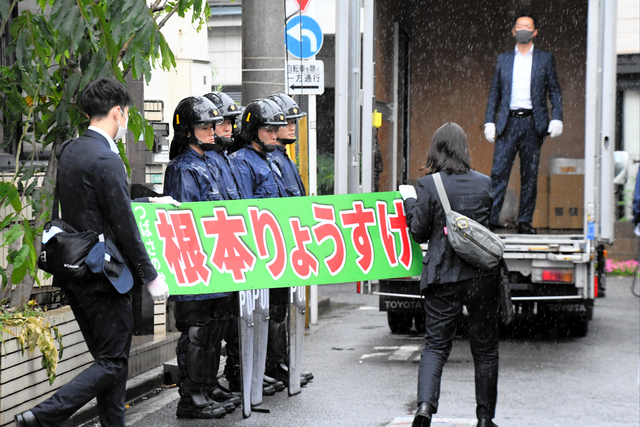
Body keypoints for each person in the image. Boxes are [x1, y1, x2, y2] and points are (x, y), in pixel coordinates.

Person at [14, 78, 170, 427]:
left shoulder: (71, 149)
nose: (126, 119)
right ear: (117, 112)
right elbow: (124, 225)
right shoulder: (106, 159)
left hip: (74, 270)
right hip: (106, 276)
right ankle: (42, 417)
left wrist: (149, 199)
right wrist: (150, 276)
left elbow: (91, 207)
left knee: (108, 361)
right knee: (113, 362)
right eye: (126, 113)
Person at [399, 123, 501, 427]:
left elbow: (418, 233)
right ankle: (484, 419)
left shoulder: (428, 185)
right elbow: (485, 227)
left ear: (437, 150)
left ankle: (425, 409)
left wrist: (410, 204)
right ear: (464, 149)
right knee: (485, 349)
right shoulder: (485, 184)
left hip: (443, 275)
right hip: (482, 277)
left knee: (435, 346)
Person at [163, 96, 240, 419]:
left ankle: (206, 386)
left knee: (213, 328)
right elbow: (184, 223)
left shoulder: (210, 161)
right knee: (195, 330)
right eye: (204, 126)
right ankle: (190, 395)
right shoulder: (183, 169)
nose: (212, 131)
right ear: (187, 131)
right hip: (194, 264)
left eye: (213, 125)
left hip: (218, 260)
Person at [484, 12, 563, 234]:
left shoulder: (545, 59)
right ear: (513, 31)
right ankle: (491, 219)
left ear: (535, 31)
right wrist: (489, 121)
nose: (524, 30)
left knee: (529, 173)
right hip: (507, 123)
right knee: (498, 173)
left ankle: (525, 221)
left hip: (533, 123)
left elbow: (554, 90)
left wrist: (557, 117)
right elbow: (495, 93)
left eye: (528, 26)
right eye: (520, 26)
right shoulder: (504, 59)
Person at [264, 93, 313, 387]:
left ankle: (282, 363)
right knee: (274, 308)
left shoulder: (283, 157)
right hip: (276, 244)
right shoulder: (270, 159)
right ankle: (275, 364)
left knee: (281, 308)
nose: (293, 126)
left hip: (289, 242)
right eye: (287, 122)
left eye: (294, 121)